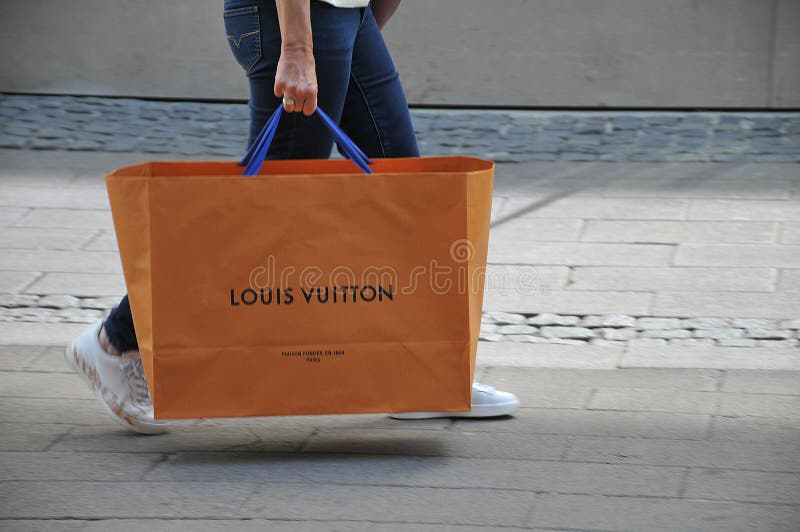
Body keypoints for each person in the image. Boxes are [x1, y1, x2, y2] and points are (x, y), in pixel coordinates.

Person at [66, 0, 519, 434]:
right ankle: (115, 340)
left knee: (405, 187)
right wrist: (300, 48)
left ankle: (424, 381)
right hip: (297, 17)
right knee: (260, 219)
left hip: (346, 14)